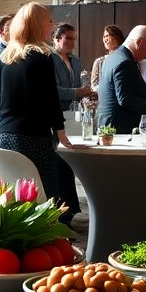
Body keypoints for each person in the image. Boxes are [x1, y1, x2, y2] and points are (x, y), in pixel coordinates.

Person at [0, 2, 73, 195]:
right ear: (37, 24)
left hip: (5, 134)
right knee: (40, 193)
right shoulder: (42, 56)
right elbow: (50, 98)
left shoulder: (5, 57)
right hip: (32, 137)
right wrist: (60, 131)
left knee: (12, 194)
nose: (52, 25)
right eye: (49, 21)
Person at [50, 23, 91, 225]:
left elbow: (78, 87)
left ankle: (71, 208)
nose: (71, 42)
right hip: (56, 115)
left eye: (74, 39)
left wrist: (85, 93)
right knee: (59, 164)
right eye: (67, 38)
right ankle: (62, 212)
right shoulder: (50, 59)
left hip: (73, 115)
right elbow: (53, 90)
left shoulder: (75, 60)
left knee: (69, 163)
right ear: (56, 39)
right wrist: (77, 92)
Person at [95, 25, 146, 134]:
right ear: (139, 42)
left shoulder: (113, 57)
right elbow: (125, 99)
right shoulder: (125, 62)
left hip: (109, 127)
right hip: (120, 129)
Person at [90, 24, 125, 91]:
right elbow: (94, 85)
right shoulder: (99, 62)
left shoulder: (126, 59)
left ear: (117, 37)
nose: (105, 39)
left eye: (107, 36)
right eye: (104, 37)